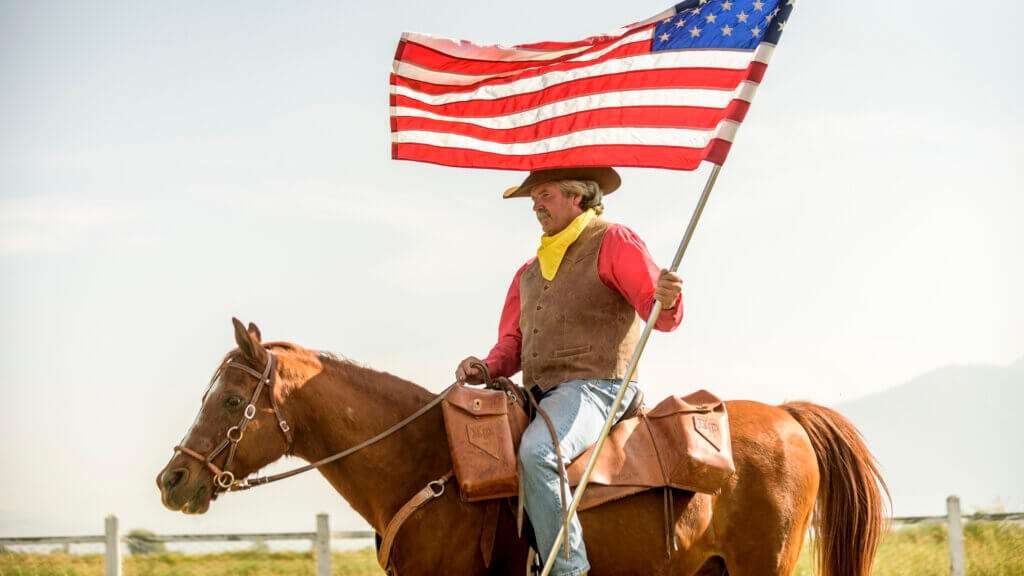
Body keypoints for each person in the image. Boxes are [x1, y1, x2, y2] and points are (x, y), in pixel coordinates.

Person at [455, 167, 684, 576]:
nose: (535, 205)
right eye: (533, 199)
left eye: (543, 194)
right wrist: (485, 367)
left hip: (599, 387)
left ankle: (569, 568)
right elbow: (513, 344)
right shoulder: (527, 271)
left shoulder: (613, 239)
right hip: (540, 393)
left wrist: (666, 300)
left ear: (577, 197)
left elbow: (658, 315)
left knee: (538, 453)